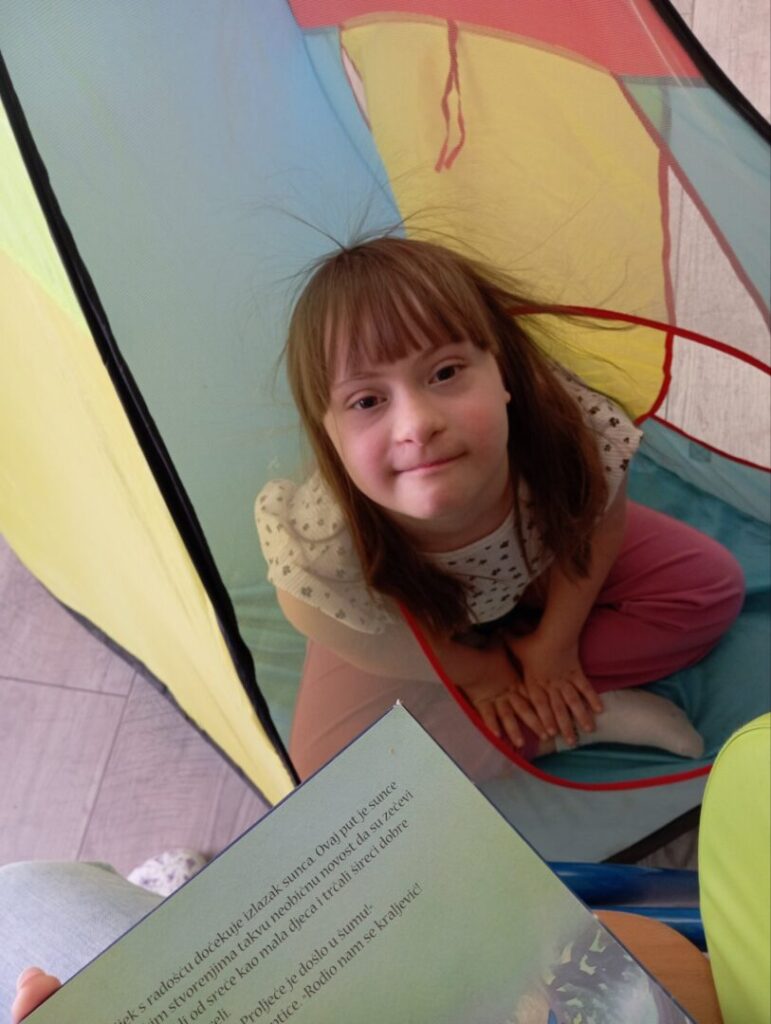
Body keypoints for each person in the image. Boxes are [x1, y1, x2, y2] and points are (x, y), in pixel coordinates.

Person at [255, 235, 745, 779]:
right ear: (329, 435)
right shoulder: (323, 546)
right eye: (367, 401)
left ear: (505, 374)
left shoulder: (568, 428)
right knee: (334, 773)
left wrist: (556, 644)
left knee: (711, 588)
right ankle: (566, 719)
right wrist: (478, 673)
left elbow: (601, 525)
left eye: (445, 373)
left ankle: (549, 688)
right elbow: (324, 620)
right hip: (415, 622)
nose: (417, 424)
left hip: (544, 563)